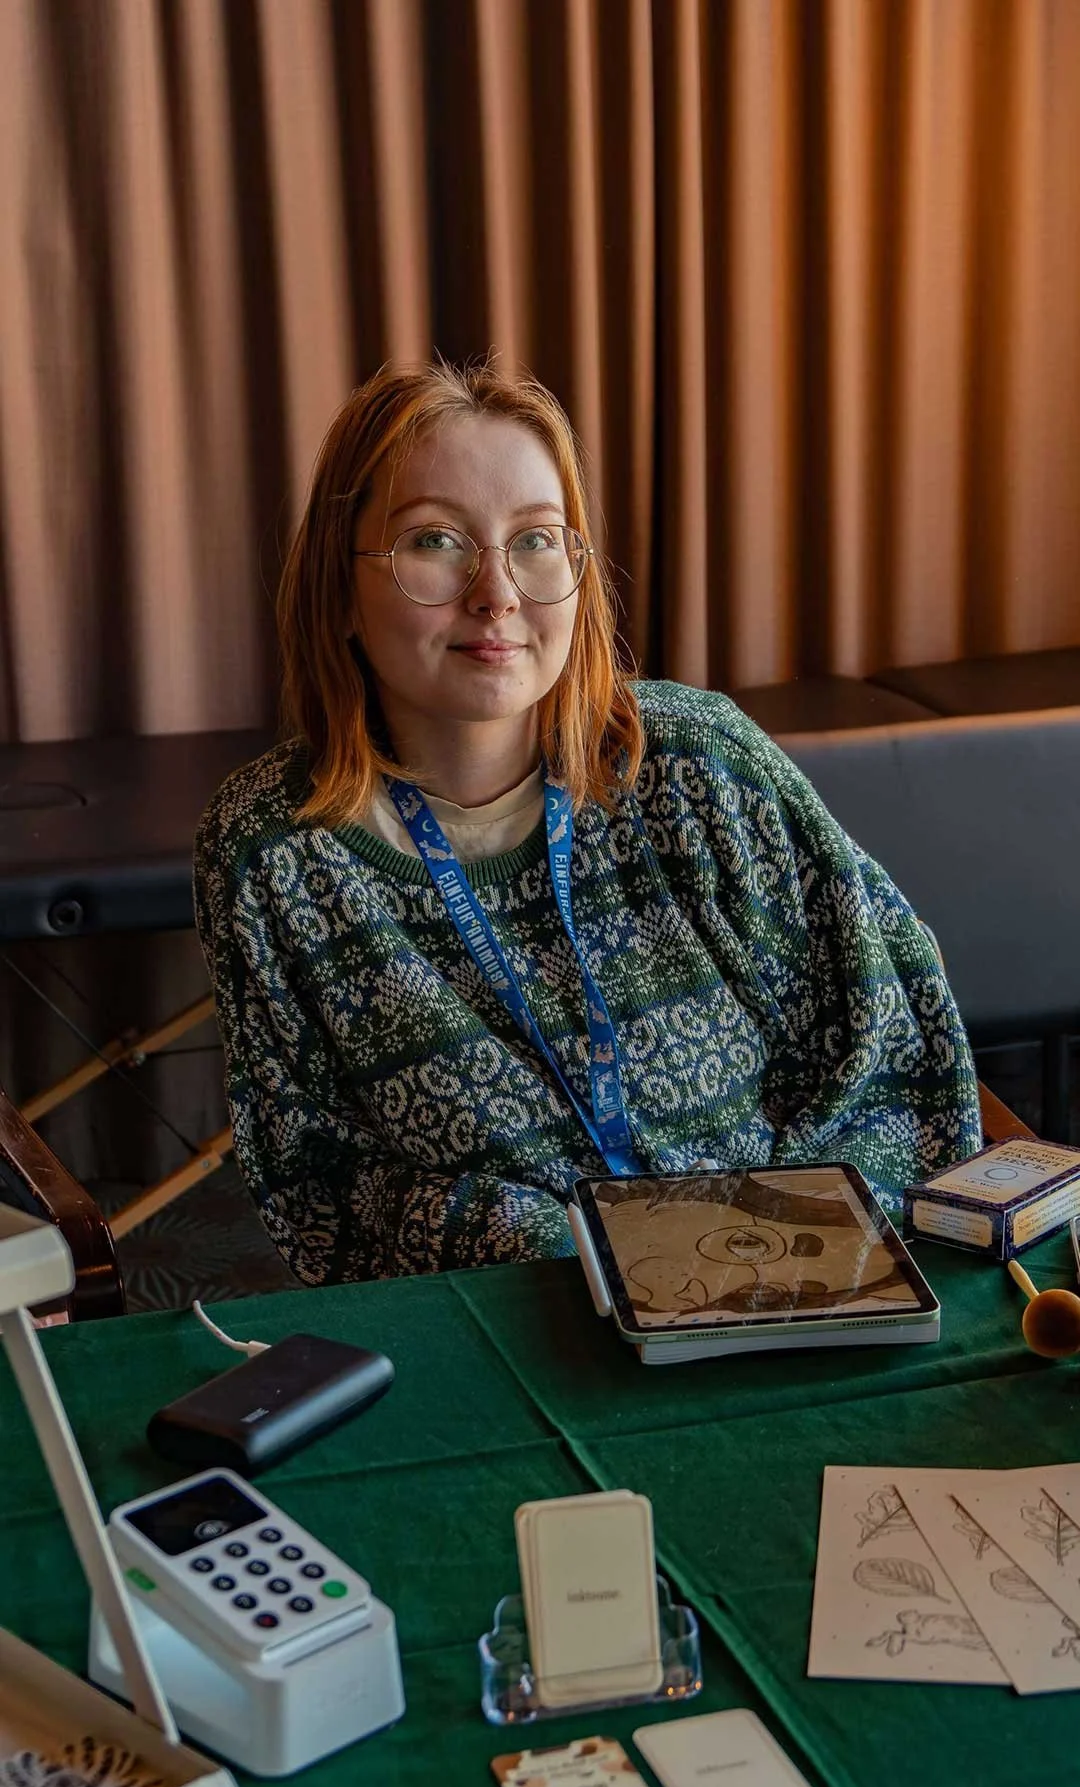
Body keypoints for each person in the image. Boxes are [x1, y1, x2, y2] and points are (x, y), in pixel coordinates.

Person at [193, 360, 982, 1287]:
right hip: (516, 1330)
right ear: (341, 586)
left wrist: (764, 1258)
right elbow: (320, 1191)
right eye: (436, 541)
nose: (498, 595)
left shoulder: (698, 764)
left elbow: (893, 1048)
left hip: (795, 1293)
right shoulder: (272, 853)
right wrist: (588, 1258)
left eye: (535, 540)